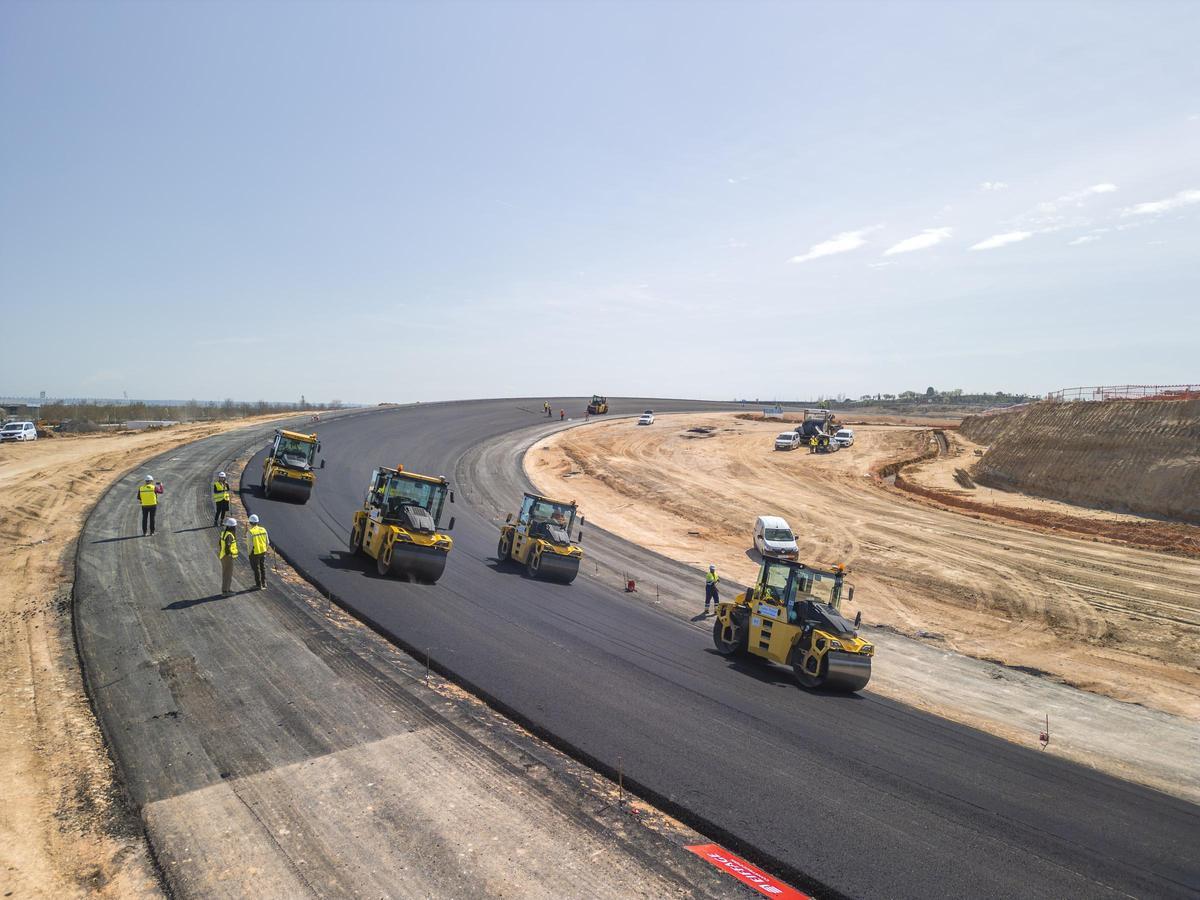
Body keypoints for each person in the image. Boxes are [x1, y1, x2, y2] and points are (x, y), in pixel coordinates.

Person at [247, 514, 270, 590]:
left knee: (256, 569)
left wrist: (249, 553)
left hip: (254, 553)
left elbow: (250, 545)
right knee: (262, 567)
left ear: (250, 522)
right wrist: (265, 549)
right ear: (257, 522)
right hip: (263, 551)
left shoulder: (250, 532)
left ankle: (258, 584)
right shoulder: (263, 529)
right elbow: (267, 542)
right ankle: (264, 583)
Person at [218, 518, 239, 594]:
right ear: (232, 527)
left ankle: (227, 589)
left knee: (226, 573)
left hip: (223, 555)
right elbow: (227, 546)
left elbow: (220, 543)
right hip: (227, 557)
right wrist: (229, 554)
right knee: (228, 574)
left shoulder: (223, 533)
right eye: (234, 526)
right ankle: (225, 591)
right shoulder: (229, 535)